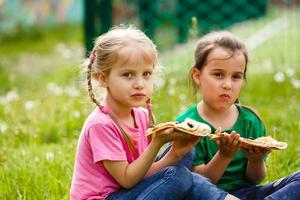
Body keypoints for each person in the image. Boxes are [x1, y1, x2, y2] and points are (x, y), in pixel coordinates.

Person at [70, 26, 238, 200]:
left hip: (130, 191)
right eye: (128, 75)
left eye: (146, 74)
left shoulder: (141, 115)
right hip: (109, 196)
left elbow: (144, 174)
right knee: (177, 176)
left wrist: (175, 154)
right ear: (103, 78)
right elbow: (127, 180)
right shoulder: (101, 124)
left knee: (186, 156)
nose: (139, 84)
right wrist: (157, 143)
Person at [176, 30, 300, 200]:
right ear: (197, 76)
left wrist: (255, 160)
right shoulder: (187, 124)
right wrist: (224, 156)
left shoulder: (250, 120)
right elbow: (199, 184)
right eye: (218, 74)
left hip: (248, 194)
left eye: (236, 77)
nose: (227, 85)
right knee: (195, 184)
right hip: (211, 195)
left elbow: (255, 179)